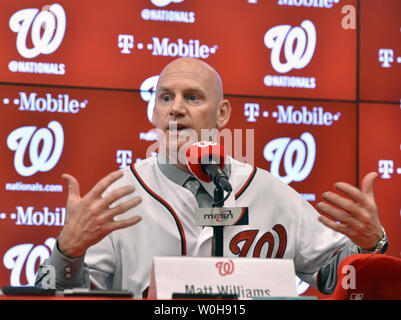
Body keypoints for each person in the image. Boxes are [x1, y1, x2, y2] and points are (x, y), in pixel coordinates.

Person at [35, 57, 387, 297]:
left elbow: (334, 277)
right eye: (165, 97)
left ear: (222, 114)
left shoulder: (269, 191)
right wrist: (69, 251)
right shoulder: (119, 195)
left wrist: (370, 246)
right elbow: (61, 296)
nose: (175, 108)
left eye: (192, 97)